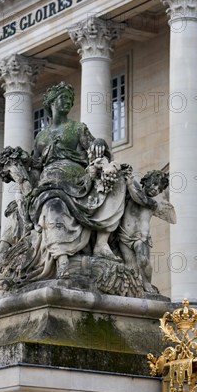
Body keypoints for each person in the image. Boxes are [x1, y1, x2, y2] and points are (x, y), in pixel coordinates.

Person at [29, 81, 125, 278]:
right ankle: (61, 257)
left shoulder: (77, 128)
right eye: (62, 98)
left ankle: (96, 245)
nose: (67, 102)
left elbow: (96, 149)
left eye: (69, 99)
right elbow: (36, 167)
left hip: (78, 183)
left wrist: (99, 141)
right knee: (52, 205)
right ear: (51, 103)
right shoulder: (41, 137)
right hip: (48, 185)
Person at [118, 170, 176, 293]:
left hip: (141, 238)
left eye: (159, 189)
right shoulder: (130, 195)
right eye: (154, 184)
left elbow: (140, 199)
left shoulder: (152, 203)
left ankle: (147, 283)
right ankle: (136, 288)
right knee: (130, 267)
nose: (155, 189)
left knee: (143, 261)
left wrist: (130, 184)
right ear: (146, 181)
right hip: (124, 235)